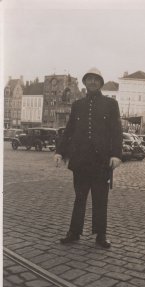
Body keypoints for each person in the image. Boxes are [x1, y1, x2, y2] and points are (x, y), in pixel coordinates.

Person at [54, 67, 122, 248]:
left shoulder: (110, 104)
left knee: (101, 200)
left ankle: (101, 235)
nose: (92, 82)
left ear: (101, 82)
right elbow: (69, 131)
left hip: (101, 162)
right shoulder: (77, 105)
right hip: (81, 161)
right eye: (89, 79)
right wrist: (59, 151)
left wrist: (116, 155)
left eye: (96, 79)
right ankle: (74, 232)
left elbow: (116, 131)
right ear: (85, 82)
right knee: (80, 198)